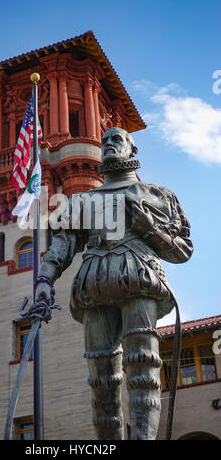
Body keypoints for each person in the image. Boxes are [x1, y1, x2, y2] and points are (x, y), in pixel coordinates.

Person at [35, 127, 193, 440]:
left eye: (116, 139)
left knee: (143, 368)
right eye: (104, 140)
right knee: (101, 379)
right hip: (93, 285)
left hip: (139, 279)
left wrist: (148, 229)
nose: (108, 144)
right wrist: (44, 279)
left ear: (132, 151)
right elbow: (61, 248)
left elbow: (182, 250)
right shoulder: (80, 201)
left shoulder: (158, 195)